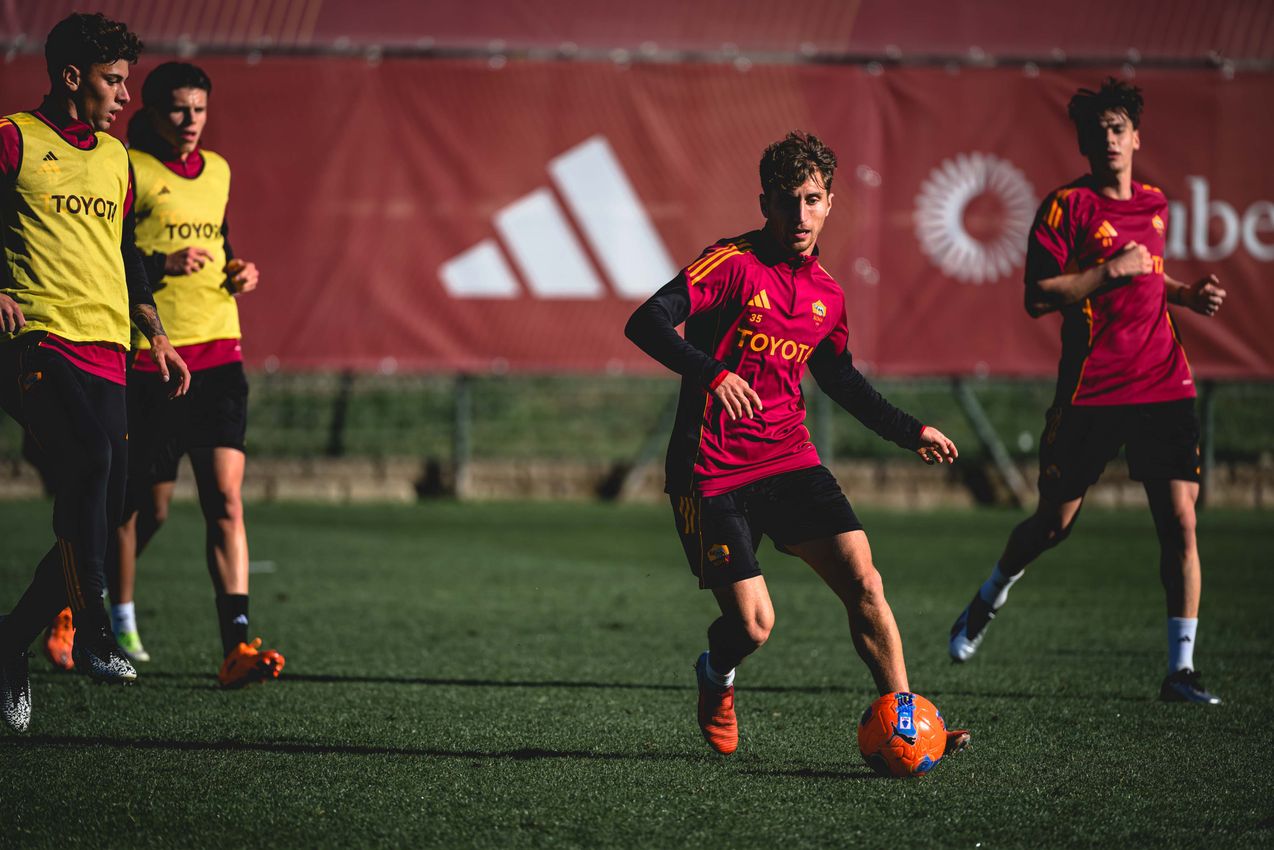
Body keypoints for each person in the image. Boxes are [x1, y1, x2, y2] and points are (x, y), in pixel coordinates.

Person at [625, 131, 968, 756]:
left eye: (812, 200)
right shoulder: (730, 263)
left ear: (831, 203)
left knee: (865, 580)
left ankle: (906, 721)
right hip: (711, 472)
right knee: (754, 627)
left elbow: (839, 378)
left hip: (789, 461)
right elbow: (645, 319)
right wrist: (712, 371)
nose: (800, 215)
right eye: (787, 201)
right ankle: (717, 675)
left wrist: (909, 430)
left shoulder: (827, 295)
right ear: (765, 204)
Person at [947, 79, 1227, 705]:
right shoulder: (1063, 209)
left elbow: (1149, 274)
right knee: (1053, 525)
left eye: (1118, 127)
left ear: (1136, 137)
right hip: (1092, 391)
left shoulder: (1154, 201)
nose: (1109, 138)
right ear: (1082, 142)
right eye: (1097, 130)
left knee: (1180, 524)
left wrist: (1187, 296)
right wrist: (1106, 272)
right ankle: (993, 589)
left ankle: (1180, 671)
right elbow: (1036, 296)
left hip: (1164, 382)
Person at [0, 12, 191, 733]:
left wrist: (157, 332)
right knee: (90, 458)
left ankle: (11, 638)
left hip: (108, 345)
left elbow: (125, 252)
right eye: (115, 80)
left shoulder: (116, 157)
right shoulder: (14, 137)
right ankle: (93, 631)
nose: (123, 94)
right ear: (73, 76)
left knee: (111, 502)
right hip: (36, 340)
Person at [107, 61, 283, 689]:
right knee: (143, 511)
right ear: (150, 111)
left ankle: (236, 647)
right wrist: (162, 259)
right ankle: (101, 611)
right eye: (178, 109)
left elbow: (222, 242)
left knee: (226, 502)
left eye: (200, 110)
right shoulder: (125, 167)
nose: (190, 122)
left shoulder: (220, 171)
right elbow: (109, 254)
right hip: (152, 358)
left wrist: (238, 271)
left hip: (220, 352)